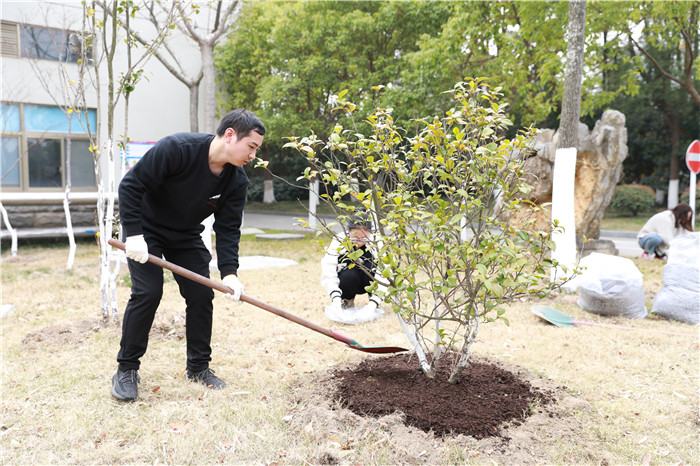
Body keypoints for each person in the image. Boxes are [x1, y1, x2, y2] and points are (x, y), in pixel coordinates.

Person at [110, 109, 265, 402]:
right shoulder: (177, 149)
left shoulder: (236, 181)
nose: (253, 156)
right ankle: (127, 369)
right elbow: (131, 186)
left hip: (185, 236)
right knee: (148, 292)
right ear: (230, 135)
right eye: (251, 147)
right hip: (145, 231)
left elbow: (228, 229)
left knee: (201, 294)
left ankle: (198, 367)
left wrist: (230, 273)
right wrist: (133, 235)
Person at [320, 209, 386, 323]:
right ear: (348, 232)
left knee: (371, 268)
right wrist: (335, 299)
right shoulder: (339, 241)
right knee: (348, 274)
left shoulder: (377, 242)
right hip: (349, 280)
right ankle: (347, 300)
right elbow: (328, 270)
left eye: (363, 238)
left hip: (369, 280)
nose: (358, 242)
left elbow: (386, 273)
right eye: (354, 238)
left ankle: (374, 301)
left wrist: (373, 303)